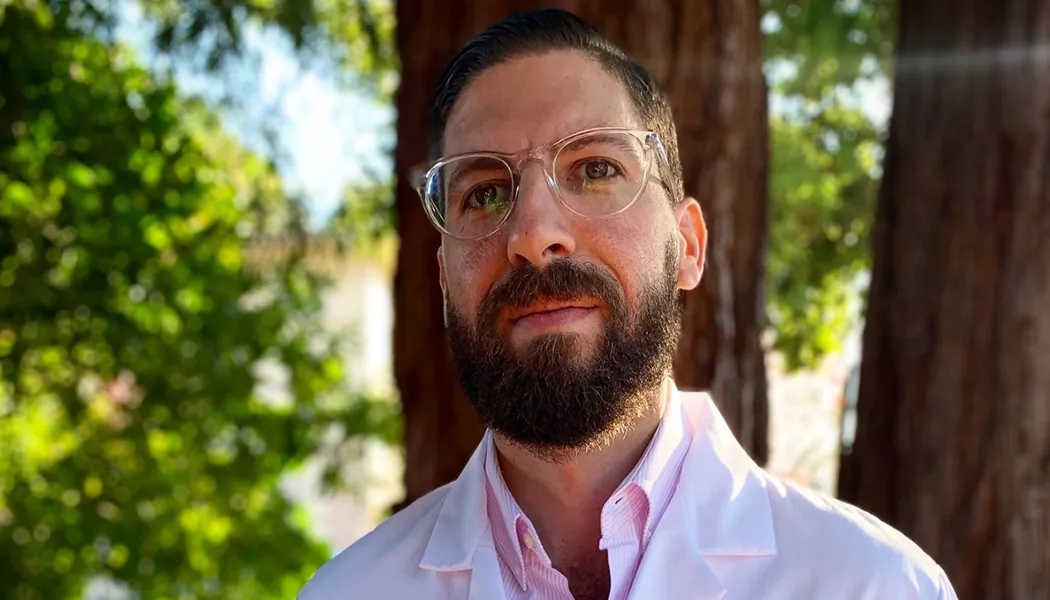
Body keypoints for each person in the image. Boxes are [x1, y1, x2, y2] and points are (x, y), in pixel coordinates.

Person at [299, 9, 957, 600]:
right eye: (485, 193)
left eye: (595, 169)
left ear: (689, 247)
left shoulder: (878, 587)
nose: (533, 234)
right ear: (445, 280)